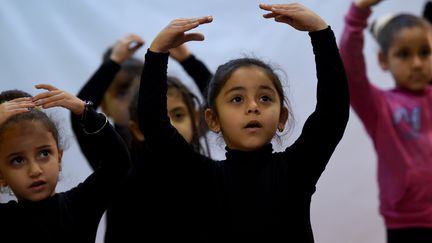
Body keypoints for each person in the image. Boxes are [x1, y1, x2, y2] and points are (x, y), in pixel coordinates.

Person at [138, 3, 349, 242]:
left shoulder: (296, 170)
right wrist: (156, 53)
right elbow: (154, 125)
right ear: (213, 120)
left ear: (282, 118)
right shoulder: (201, 178)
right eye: (237, 99)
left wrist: (321, 33)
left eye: (265, 98)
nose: (253, 106)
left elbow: (332, 113)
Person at [71, 33, 212, 242]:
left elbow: (221, 106)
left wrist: (188, 60)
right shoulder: (113, 153)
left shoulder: (182, 138)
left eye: (142, 88)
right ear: (105, 105)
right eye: (122, 92)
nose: (132, 96)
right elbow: (78, 112)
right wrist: (112, 63)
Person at [339, 0, 432, 242]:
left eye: (425, 52)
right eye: (404, 54)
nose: (417, 63)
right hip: (405, 224)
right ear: (383, 60)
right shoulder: (379, 107)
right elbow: (351, 70)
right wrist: (357, 14)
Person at [0, 84, 130, 243]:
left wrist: (85, 111)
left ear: (59, 157)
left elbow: (118, 162)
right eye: (18, 160)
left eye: (44, 153)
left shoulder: (80, 205)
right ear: (1, 175)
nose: (35, 170)